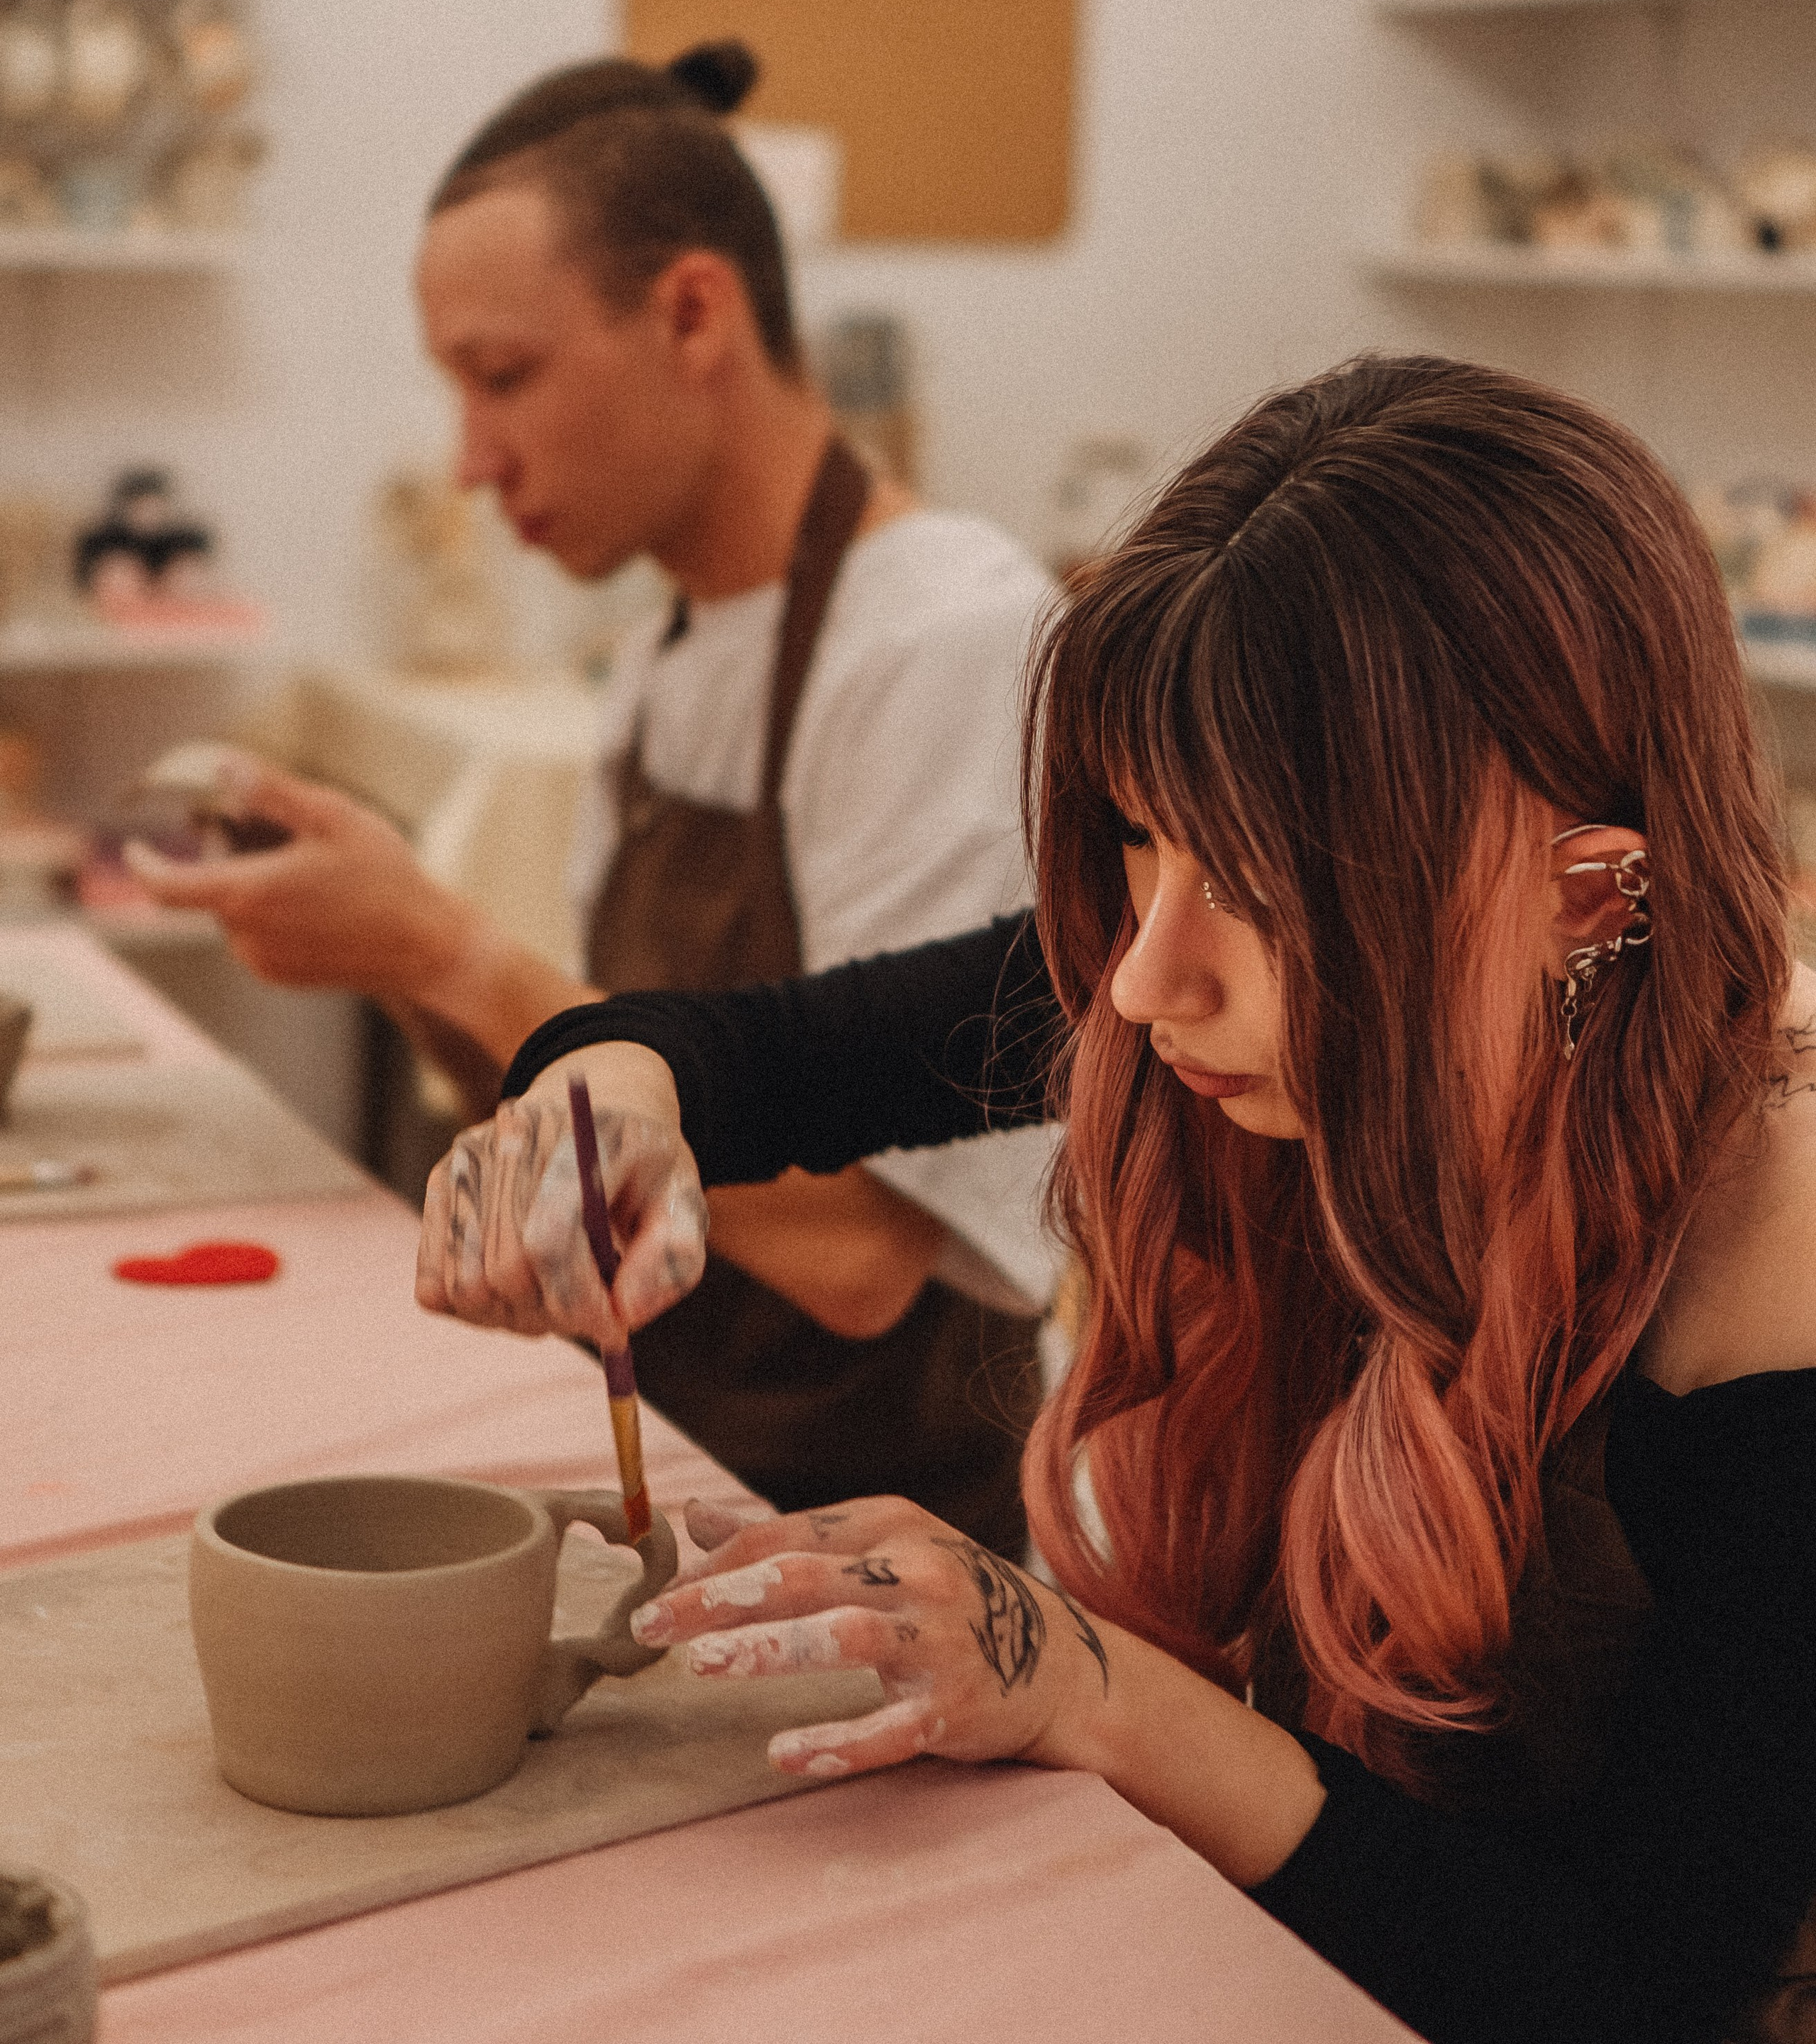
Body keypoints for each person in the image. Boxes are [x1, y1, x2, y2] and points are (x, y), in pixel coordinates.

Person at [419, 355, 1816, 2044]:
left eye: (1262, 884)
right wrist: (599, 1104)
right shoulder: (1324, 978)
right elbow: (736, 1055)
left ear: (1591, 882)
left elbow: (1627, 1992)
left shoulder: (1776, 1267)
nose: (1146, 982)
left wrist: (1091, 1689)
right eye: (1143, 840)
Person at [131, 41, 1058, 1554]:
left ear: (693, 311)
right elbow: (594, 1124)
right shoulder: (661, 653)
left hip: (867, 1539)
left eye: (505, 378)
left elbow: (857, 1255)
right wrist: (389, 955)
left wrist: (446, 951)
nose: (472, 462)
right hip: (664, 1478)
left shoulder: (946, 642)